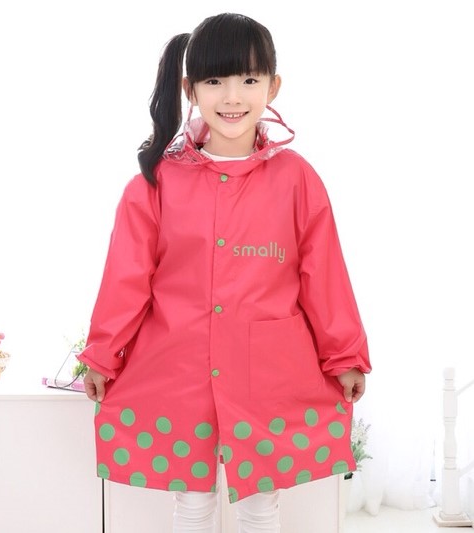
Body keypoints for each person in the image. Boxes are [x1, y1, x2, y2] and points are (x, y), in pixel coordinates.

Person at [79, 12, 371, 533]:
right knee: (192, 501)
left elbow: (324, 275)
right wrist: (102, 354)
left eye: (250, 80)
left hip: (269, 371)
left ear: (273, 87)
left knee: (260, 503)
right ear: (190, 89)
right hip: (178, 366)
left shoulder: (297, 180)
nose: (233, 97)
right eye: (215, 81)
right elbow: (127, 278)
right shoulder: (155, 183)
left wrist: (345, 354)